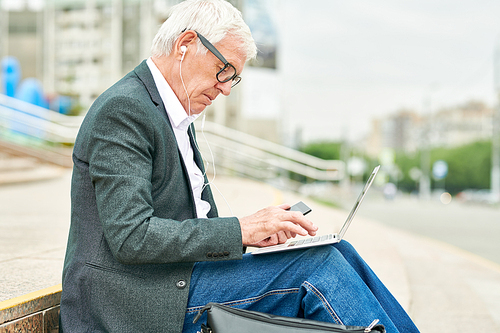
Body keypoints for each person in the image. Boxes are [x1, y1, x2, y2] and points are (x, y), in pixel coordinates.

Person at [59, 1, 420, 332]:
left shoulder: (171, 112)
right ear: (185, 44)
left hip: (174, 282)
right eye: (224, 69)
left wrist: (255, 234)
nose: (226, 88)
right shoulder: (124, 110)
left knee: (340, 252)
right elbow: (132, 236)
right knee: (319, 266)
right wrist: (240, 230)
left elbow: (184, 226)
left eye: (233, 76)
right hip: (133, 301)